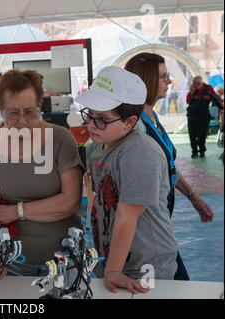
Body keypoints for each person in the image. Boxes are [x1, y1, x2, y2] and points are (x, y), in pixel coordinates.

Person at [0, 69, 85, 276]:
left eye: (30, 112)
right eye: (13, 113)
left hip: (63, 260)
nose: (22, 120)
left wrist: (15, 211)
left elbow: (71, 201)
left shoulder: (60, 139)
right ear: (0, 109)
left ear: (40, 105)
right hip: (6, 265)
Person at [75, 66, 178, 294]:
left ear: (130, 122)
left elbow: (127, 215)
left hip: (145, 267)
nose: (91, 124)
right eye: (89, 113)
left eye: (101, 118)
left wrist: (112, 270)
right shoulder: (101, 146)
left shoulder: (140, 152)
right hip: (115, 263)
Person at [125, 53, 214, 281]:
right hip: (147, 234)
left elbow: (169, 167)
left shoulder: (151, 116)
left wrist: (194, 197)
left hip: (158, 226)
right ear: (145, 82)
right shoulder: (136, 128)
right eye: (164, 77)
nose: (169, 82)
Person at [185, 75, 222, 158]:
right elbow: (188, 101)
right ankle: (194, 151)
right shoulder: (192, 89)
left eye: (194, 83)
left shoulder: (208, 88)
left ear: (199, 84)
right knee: (192, 134)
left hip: (204, 115)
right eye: (193, 83)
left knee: (202, 134)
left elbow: (215, 98)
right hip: (192, 115)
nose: (193, 85)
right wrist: (191, 93)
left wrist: (221, 108)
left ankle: (202, 151)